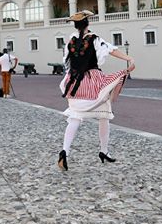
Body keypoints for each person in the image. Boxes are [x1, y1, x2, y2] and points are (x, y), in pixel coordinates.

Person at [57, 11, 135, 170]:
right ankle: (103, 151)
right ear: (88, 24)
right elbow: (110, 50)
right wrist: (129, 59)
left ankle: (65, 151)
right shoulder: (94, 39)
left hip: (74, 84)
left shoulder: (70, 41)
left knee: (75, 117)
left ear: (76, 25)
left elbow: (67, 62)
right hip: (93, 83)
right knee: (104, 115)